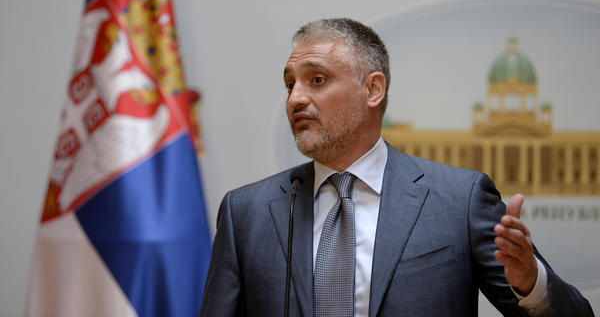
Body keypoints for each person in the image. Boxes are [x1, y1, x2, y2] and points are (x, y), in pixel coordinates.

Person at [199, 18, 593, 316]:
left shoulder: (458, 201)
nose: (295, 99)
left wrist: (531, 284)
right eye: (290, 85)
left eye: (316, 79)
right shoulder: (246, 213)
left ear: (373, 89)